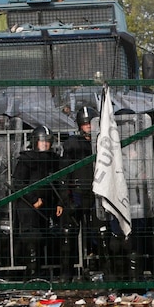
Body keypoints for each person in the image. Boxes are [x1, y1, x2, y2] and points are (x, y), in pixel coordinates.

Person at [12, 126, 65, 278]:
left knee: (45, 237)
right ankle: (33, 273)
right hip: (29, 206)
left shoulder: (54, 160)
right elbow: (18, 183)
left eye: (48, 141)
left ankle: (43, 271)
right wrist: (33, 199)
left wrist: (60, 202)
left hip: (48, 205)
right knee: (32, 238)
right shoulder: (26, 159)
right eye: (42, 141)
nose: (45, 144)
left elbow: (60, 183)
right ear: (35, 142)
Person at [60, 107, 98, 279]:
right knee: (69, 233)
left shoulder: (102, 142)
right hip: (76, 191)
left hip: (97, 192)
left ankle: (101, 269)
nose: (88, 127)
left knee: (100, 232)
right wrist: (65, 198)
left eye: (90, 123)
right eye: (84, 124)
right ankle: (66, 273)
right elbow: (64, 172)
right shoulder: (72, 144)